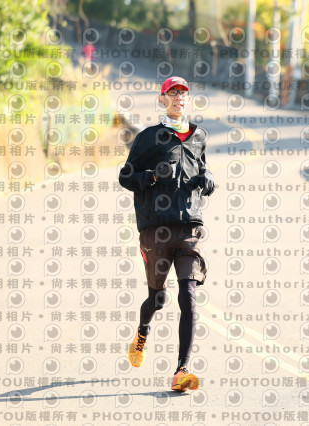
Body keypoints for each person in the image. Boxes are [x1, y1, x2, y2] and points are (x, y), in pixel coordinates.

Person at [118, 76, 215, 392]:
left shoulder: (199, 136)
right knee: (157, 298)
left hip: (190, 229)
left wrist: (207, 180)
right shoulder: (149, 137)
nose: (179, 98)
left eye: (183, 93)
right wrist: (149, 177)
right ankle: (142, 331)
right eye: (172, 93)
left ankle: (181, 370)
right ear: (162, 99)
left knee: (188, 296)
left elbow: (202, 168)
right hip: (155, 230)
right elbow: (125, 176)